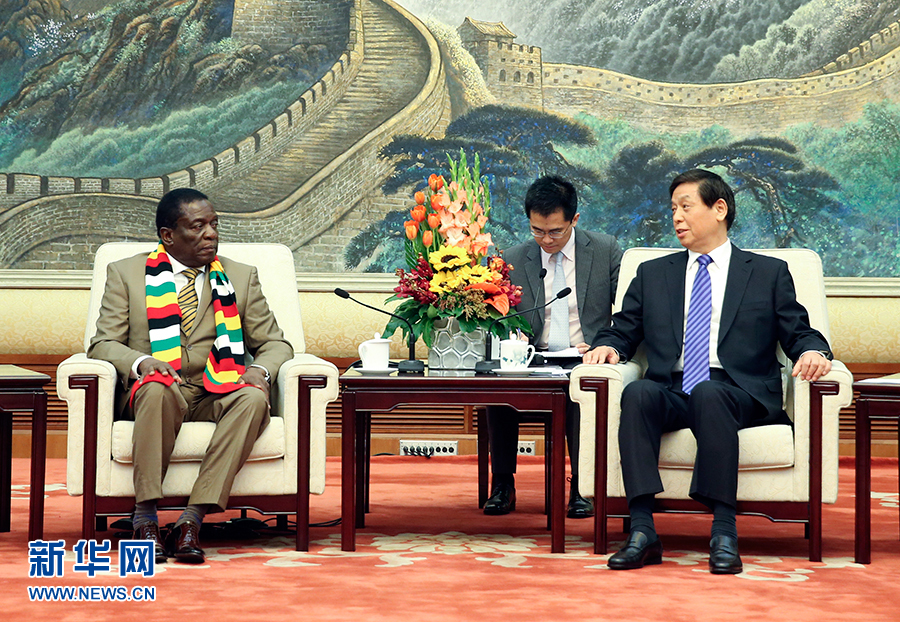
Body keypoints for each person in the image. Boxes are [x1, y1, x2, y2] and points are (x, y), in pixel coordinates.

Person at [583, 169, 832, 574]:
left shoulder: (767, 273)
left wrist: (814, 351)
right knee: (639, 392)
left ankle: (724, 531)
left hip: (739, 391)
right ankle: (643, 530)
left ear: (719, 209)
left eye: (686, 207)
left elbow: (798, 330)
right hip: (673, 389)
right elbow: (623, 328)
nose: (677, 217)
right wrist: (608, 345)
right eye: (672, 209)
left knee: (709, 393)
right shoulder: (654, 273)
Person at [88, 188, 293, 564]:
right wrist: (141, 362)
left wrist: (259, 371)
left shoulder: (240, 276)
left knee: (252, 398)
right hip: (159, 392)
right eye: (198, 226)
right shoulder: (127, 274)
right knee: (155, 389)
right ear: (168, 235)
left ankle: (190, 521)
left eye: (214, 224)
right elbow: (102, 344)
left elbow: (275, 344)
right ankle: (145, 519)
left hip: (217, 388)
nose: (211, 233)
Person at [485, 175, 622, 518]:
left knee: (579, 388)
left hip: (584, 356)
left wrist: (604, 343)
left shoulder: (605, 250)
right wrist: (511, 337)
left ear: (574, 219)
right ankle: (502, 484)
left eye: (555, 232)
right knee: (497, 389)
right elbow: (498, 314)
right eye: (537, 231)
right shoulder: (513, 258)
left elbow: (627, 311)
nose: (546, 240)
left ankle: (582, 487)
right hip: (533, 357)